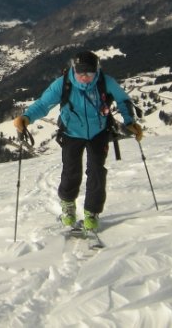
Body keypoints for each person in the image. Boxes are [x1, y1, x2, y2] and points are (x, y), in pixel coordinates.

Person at [13, 50, 143, 231]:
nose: (84, 77)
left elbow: (123, 100)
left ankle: (92, 211)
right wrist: (26, 118)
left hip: (98, 133)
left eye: (89, 73)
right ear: (73, 69)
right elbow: (44, 104)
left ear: (96, 70)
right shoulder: (64, 84)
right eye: (80, 72)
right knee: (71, 171)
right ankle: (68, 205)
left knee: (97, 171)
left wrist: (130, 122)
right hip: (71, 133)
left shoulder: (105, 82)